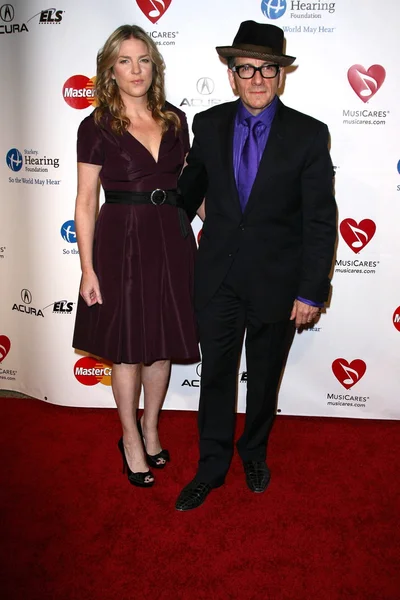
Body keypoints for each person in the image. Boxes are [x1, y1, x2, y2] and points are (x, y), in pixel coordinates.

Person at [175, 21, 337, 510]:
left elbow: (320, 219)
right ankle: (212, 465)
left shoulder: (309, 135)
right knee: (217, 378)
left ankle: (254, 452)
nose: (258, 79)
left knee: (265, 378)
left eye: (268, 68)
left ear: (281, 75)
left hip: (277, 282)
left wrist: (311, 290)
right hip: (218, 278)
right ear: (231, 76)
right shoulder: (208, 123)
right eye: (246, 69)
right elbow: (190, 190)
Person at [72, 24, 199, 489]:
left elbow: (191, 189)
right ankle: (129, 438)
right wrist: (87, 268)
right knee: (127, 350)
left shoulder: (174, 119)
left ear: (154, 65)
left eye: (143, 59)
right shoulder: (96, 126)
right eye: (124, 61)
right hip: (121, 242)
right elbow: (87, 200)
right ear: (110, 70)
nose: (136, 70)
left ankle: (150, 426)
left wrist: (231, 224)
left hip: (171, 237)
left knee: (160, 345)